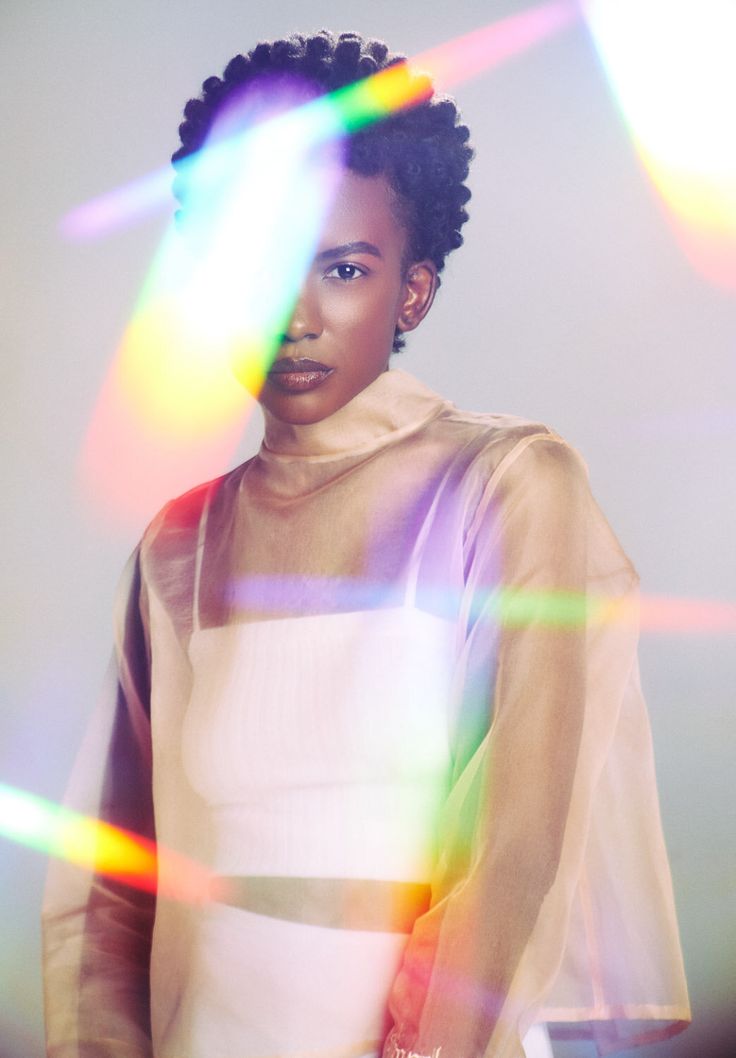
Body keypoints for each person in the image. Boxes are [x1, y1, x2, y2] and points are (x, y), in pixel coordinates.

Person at [42, 30, 690, 1058]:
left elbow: (517, 853)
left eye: (342, 267)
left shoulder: (509, 485)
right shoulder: (180, 541)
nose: (293, 316)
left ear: (414, 290)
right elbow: (111, 897)